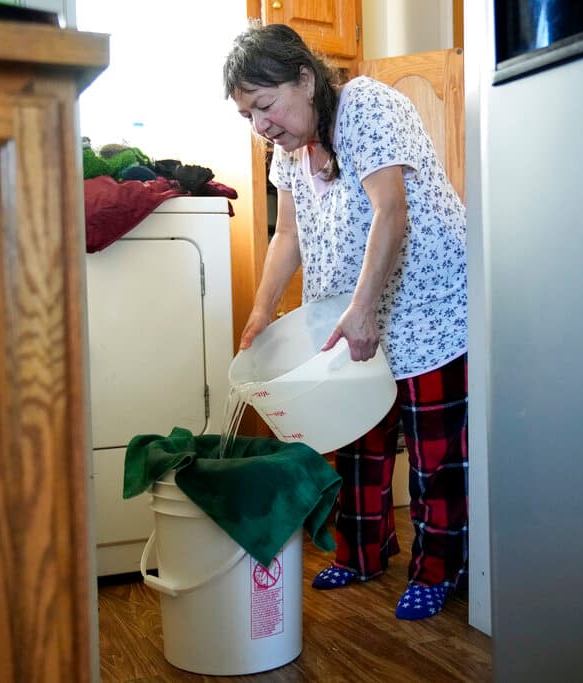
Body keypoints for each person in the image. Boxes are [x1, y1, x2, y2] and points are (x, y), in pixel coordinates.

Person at [223, 23, 468, 621]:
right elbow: (287, 234)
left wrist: (362, 311)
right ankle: (363, 554)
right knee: (359, 438)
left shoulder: (366, 107)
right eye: (248, 115)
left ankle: (438, 570)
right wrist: (260, 313)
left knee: (434, 453)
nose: (261, 125)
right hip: (351, 308)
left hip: (428, 304)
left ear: (306, 80)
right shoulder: (290, 150)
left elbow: (391, 211)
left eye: (266, 105)